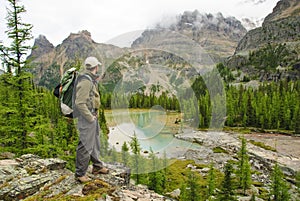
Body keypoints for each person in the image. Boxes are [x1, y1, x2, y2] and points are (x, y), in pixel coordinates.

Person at [73, 56, 109, 183]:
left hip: (92, 116)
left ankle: (97, 166)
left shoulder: (90, 80)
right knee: (85, 145)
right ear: (96, 67)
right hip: (86, 118)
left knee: (95, 142)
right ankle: (80, 174)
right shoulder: (86, 81)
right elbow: (79, 103)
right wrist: (90, 118)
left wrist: (95, 115)